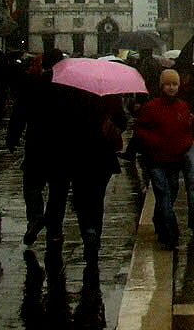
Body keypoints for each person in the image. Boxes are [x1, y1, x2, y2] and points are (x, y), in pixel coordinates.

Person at [44, 81, 128, 273]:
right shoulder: (111, 95)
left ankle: (87, 231)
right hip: (103, 157)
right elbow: (122, 122)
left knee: (81, 197)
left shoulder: (69, 94)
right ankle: (94, 233)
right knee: (97, 197)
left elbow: (57, 124)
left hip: (76, 155)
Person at [133, 69, 194, 248]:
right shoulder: (151, 107)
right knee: (162, 192)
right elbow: (140, 130)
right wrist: (153, 143)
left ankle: (160, 220)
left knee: (171, 191)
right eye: (168, 84)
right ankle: (170, 230)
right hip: (156, 159)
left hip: (174, 159)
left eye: (174, 84)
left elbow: (186, 130)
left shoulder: (182, 106)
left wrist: (184, 143)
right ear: (161, 86)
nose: (171, 87)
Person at [7, 49, 65, 247]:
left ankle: (35, 217)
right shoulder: (67, 87)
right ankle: (55, 229)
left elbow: (19, 112)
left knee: (31, 185)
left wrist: (12, 137)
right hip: (61, 146)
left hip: (37, 142)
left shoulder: (33, 83)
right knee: (58, 190)